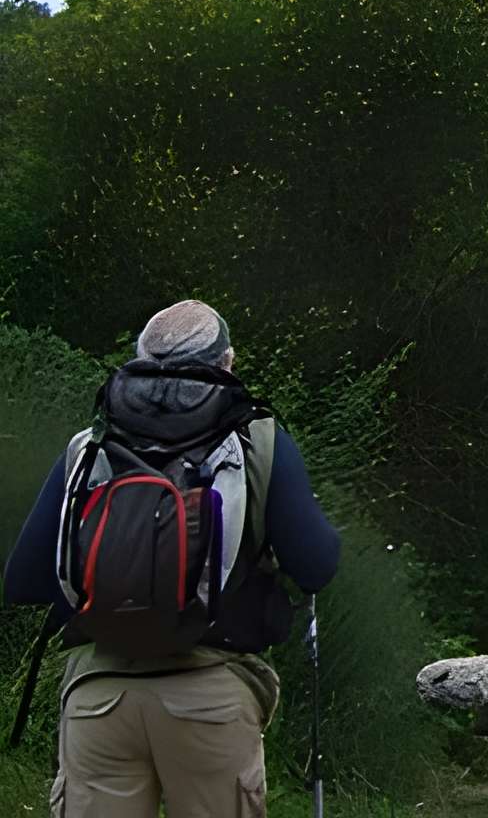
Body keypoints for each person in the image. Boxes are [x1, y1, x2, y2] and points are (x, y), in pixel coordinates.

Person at [4, 301, 341, 816]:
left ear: (140, 357)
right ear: (227, 361)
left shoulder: (91, 445)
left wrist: (120, 589)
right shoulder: (258, 440)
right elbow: (315, 565)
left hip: (100, 697)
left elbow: (24, 579)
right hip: (211, 695)